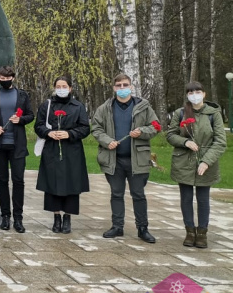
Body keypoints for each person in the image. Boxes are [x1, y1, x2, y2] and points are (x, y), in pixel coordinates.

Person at [91, 73, 159, 243]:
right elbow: (96, 128)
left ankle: (142, 228)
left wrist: (142, 131)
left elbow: (156, 126)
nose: (122, 88)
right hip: (114, 160)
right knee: (116, 194)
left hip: (138, 159)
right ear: (114, 88)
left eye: (125, 85)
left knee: (139, 194)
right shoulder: (104, 108)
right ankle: (117, 226)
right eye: (119, 85)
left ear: (131, 86)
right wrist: (107, 141)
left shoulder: (143, 107)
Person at [166, 81, 227, 249]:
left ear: (204, 94)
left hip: (206, 161)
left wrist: (206, 161)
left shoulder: (213, 114)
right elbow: (170, 135)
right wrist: (185, 142)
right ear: (187, 95)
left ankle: (202, 233)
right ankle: (189, 231)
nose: (194, 95)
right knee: (186, 198)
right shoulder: (180, 113)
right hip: (184, 161)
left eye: (198, 92)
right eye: (191, 92)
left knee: (203, 198)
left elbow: (220, 142)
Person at [34, 76, 90, 234]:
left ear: (70, 88)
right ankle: (56, 217)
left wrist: (69, 134)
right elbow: (38, 125)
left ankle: (67, 218)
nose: (61, 89)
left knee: (71, 183)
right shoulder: (47, 105)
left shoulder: (78, 106)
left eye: (64, 86)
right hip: (52, 149)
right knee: (52, 183)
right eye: (58, 86)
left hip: (72, 150)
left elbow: (85, 128)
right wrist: (48, 133)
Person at [0, 65, 35, 232]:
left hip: (17, 145)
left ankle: (18, 218)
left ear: (13, 78)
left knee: (18, 181)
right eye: (2, 78)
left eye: (8, 78)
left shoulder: (22, 95)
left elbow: (30, 115)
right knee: (2, 180)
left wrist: (20, 120)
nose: (5, 80)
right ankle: (5, 216)